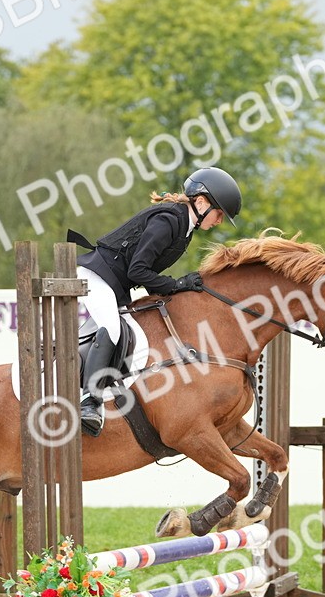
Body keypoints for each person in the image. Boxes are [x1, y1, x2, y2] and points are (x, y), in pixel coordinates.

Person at [72, 166, 242, 437]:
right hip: (98, 276)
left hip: (115, 284)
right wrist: (177, 285)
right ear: (201, 202)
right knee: (114, 330)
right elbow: (137, 271)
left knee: (130, 335)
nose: (220, 220)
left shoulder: (184, 227)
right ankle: (89, 402)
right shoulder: (168, 221)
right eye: (219, 213)